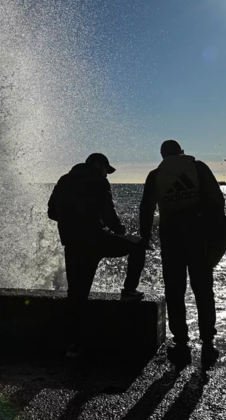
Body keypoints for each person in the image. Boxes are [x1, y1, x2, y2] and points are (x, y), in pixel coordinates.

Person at [48, 153, 148, 357]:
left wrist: (70, 221)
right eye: (106, 170)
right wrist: (121, 232)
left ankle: (73, 346)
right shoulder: (98, 181)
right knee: (138, 246)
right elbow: (108, 212)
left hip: (73, 243)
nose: (107, 174)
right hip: (96, 240)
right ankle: (129, 290)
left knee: (77, 294)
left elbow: (51, 212)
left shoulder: (64, 180)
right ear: (97, 165)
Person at [139, 140, 226, 367]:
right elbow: (218, 202)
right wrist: (217, 236)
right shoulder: (198, 168)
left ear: (162, 155)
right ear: (182, 152)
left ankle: (181, 342)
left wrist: (145, 237)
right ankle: (208, 343)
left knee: (174, 291)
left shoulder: (155, 175)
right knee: (203, 291)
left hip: (171, 241)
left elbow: (146, 208)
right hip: (199, 240)